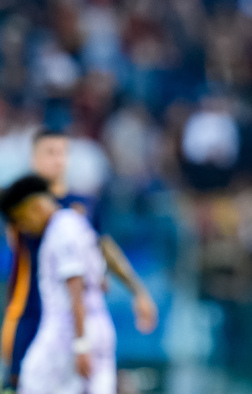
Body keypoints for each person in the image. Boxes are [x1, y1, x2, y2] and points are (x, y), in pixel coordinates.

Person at [1, 129, 157, 391]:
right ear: (33, 159)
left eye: (62, 152)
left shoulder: (80, 206)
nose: (57, 160)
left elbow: (103, 248)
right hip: (31, 309)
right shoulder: (19, 202)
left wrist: (136, 290)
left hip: (69, 315)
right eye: (49, 153)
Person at [0, 175, 116, 393]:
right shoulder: (77, 222)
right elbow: (100, 280)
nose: (25, 228)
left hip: (67, 331)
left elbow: (76, 286)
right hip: (97, 325)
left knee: (32, 380)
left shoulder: (61, 231)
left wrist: (81, 343)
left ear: (34, 207)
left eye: (22, 220)